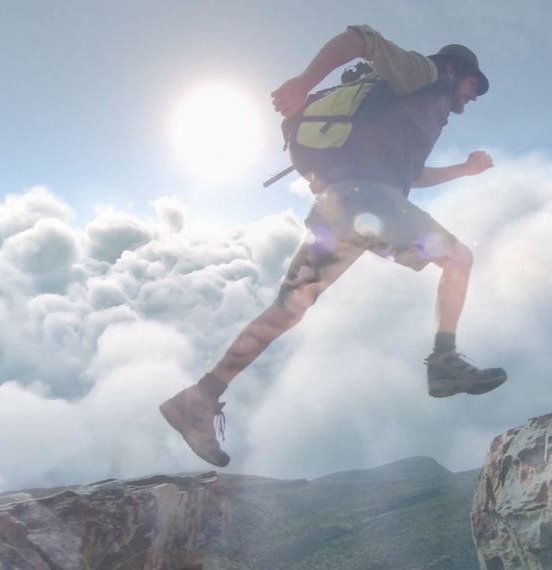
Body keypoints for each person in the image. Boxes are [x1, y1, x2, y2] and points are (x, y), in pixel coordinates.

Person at [160, 25, 506, 467]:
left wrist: (463, 170)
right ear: (454, 69)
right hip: (370, 199)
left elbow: (412, 174)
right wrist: (305, 81)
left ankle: (199, 397)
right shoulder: (423, 73)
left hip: (341, 205)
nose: (473, 96)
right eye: (473, 85)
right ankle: (443, 361)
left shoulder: (421, 108)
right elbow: (362, 38)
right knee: (458, 259)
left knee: (289, 308)